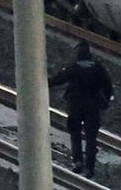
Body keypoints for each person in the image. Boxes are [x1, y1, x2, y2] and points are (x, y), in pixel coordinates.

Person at [48, 42, 113, 178]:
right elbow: (107, 86)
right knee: (91, 137)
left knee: (75, 134)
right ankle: (90, 168)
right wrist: (106, 101)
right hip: (92, 107)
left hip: (75, 106)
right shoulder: (98, 68)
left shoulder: (74, 68)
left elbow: (59, 79)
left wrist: (45, 82)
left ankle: (77, 162)